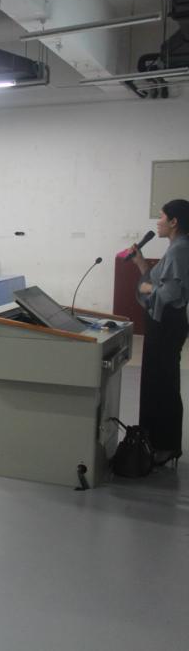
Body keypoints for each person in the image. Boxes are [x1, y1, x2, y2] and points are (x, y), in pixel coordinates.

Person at [132, 198, 189, 466]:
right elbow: (158, 278)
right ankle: (155, 441)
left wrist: (148, 289)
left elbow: (171, 292)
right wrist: (140, 263)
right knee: (156, 382)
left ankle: (166, 445)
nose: (158, 222)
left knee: (164, 384)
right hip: (162, 323)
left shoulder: (180, 249)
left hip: (167, 323)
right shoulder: (175, 248)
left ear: (174, 222)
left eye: (162, 217)